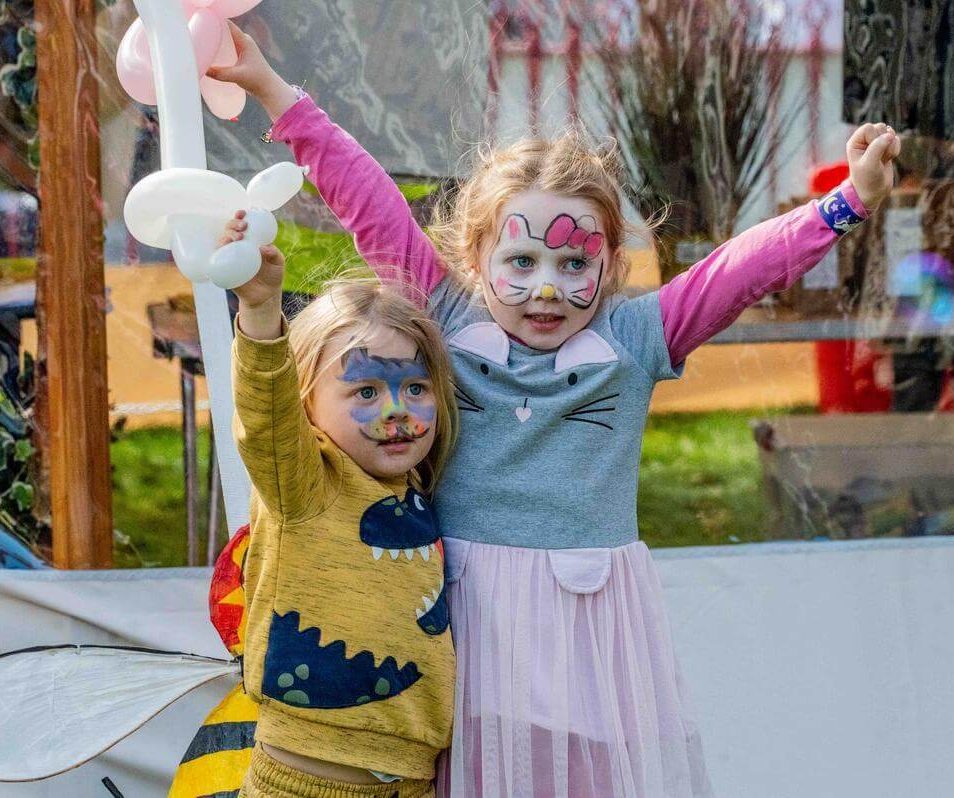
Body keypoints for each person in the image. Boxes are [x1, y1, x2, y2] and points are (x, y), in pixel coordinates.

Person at [212, 22, 900, 796]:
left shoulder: (637, 337)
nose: (547, 288)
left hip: (587, 626)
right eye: (523, 260)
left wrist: (847, 202)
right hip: (471, 617)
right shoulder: (446, 314)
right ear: (475, 259)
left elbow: (740, 269)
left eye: (575, 262)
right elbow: (365, 197)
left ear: (609, 263)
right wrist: (274, 90)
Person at [228, 231, 459, 796]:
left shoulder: (417, 493)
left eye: (415, 387)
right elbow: (266, 420)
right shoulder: (305, 484)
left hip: (408, 782)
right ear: (306, 398)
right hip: (303, 782)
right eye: (366, 392)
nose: (398, 411)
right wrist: (260, 313)